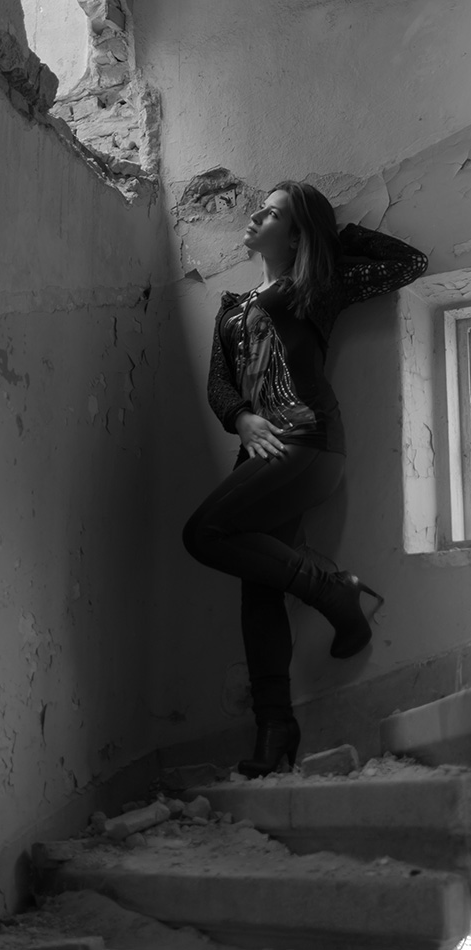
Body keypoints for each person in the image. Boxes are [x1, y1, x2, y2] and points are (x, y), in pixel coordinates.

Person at [182, 180, 428, 779]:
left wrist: (333, 233)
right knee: (257, 588)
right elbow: (219, 383)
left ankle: (333, 589)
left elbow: (409, 264)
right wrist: (240, 417)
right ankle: (275, 728)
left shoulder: (316, 287)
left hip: (310, 443)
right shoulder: (231, 308)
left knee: (203, 534)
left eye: (270, 213)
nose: (254, 216)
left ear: (296, 236)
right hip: (259, 453)